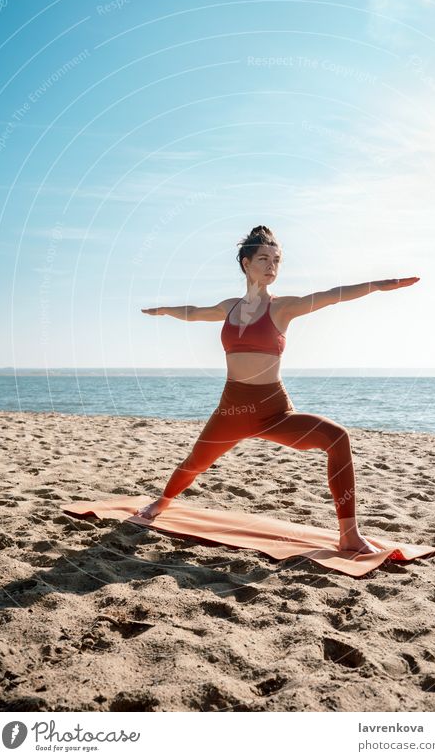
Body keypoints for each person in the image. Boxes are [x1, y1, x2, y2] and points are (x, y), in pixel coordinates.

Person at [136, 225, 420, 555]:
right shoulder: (229, 307)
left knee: (337, 438)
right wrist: (164, 311)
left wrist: (379, 285)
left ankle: (349, 534)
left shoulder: (282, 308)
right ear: (246, 263)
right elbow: (194, 313)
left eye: (277, 260)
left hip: (274, 412)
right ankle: (162, 502)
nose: (272, 265)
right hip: (231, 411)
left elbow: (333, 295)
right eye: (264, 258)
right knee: (194, 464)